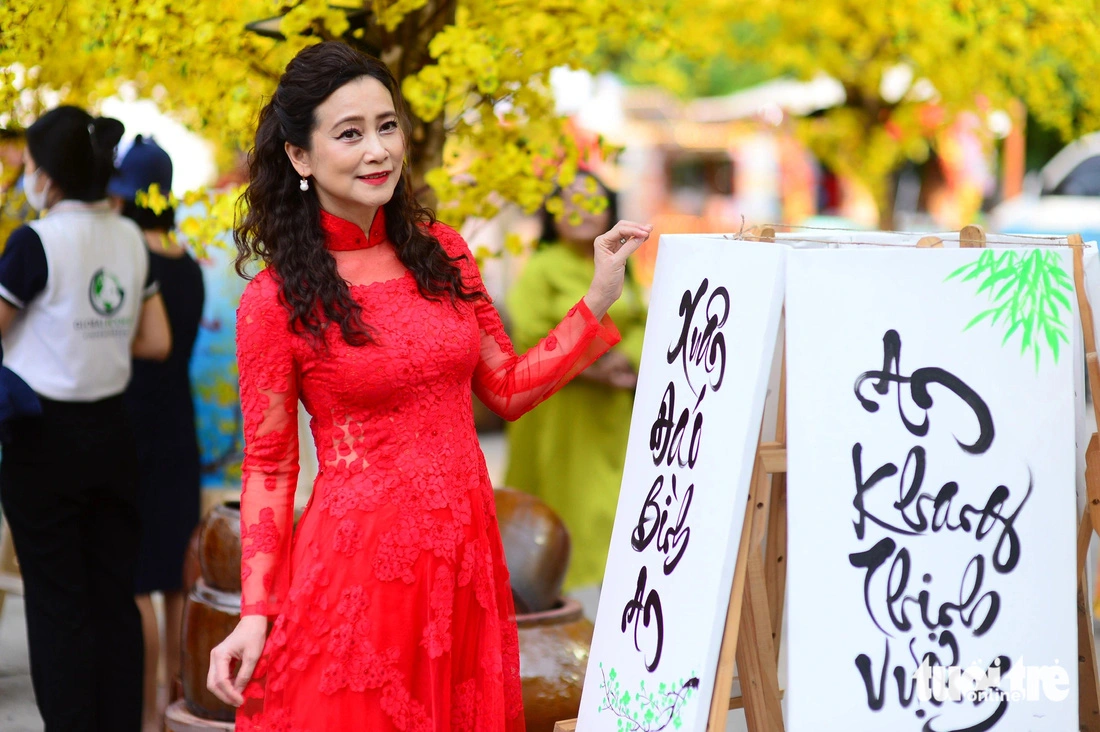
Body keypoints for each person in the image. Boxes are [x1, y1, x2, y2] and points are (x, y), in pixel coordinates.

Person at [206, 41, 650, 731]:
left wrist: (594, 301)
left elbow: (503, 388)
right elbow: (269, 466)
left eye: (386, 126)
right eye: (349, 134)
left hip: (463, 561)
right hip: (355, 570)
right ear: (300, 156)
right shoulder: (275, 299)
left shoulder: (443, 252)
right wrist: (255, 612)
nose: (377, 149)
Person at [0, 105, 172, 731]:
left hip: (42, 441)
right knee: (112, 598)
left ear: (45, 174)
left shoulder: (35, 242)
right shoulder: (127, 237)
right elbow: (155, 341)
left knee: (57, 604)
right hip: (114, 434)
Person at [504, 171, 647, 591]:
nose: (580, 210)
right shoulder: (543, 267)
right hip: (563, 412)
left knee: (616, 505)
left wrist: (628, 360)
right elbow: (529, 333)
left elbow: (640, 320)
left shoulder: (623, 262)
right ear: (550, 214)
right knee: (572, 508)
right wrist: (595, 365)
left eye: (592, 200)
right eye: (568, 201)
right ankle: (574, 605)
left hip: (612, 411)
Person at [110, 136, 205, 732]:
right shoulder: (187, 261)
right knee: (175, 575)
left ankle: (148, 712)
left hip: (135, 427)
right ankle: (175, 706)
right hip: (180, 424)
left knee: (137, 580)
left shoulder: (131, 262)